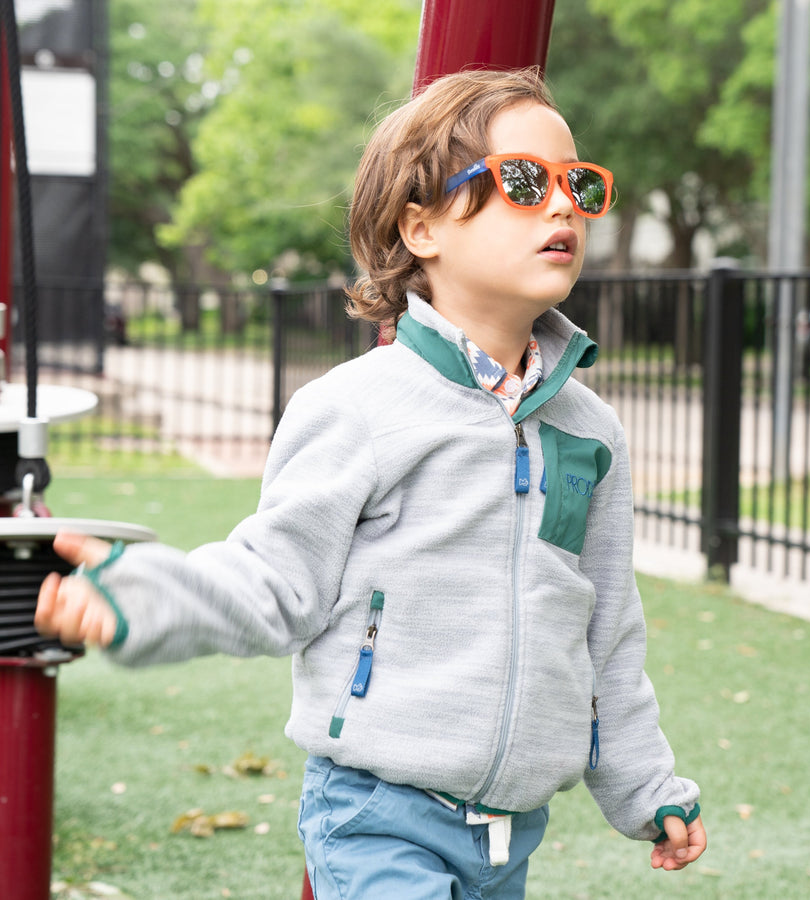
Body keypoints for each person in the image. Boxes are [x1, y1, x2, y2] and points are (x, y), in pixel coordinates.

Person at [35, 68, 706, 899]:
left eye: (580, 184)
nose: (563, 205)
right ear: (420, 226)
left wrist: (646, 789)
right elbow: (275, 578)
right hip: (377, 813)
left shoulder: (589, 430)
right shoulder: (356, 410)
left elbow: (607, 629)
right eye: (525, 182)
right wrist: (145, 596)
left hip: (511, 833)